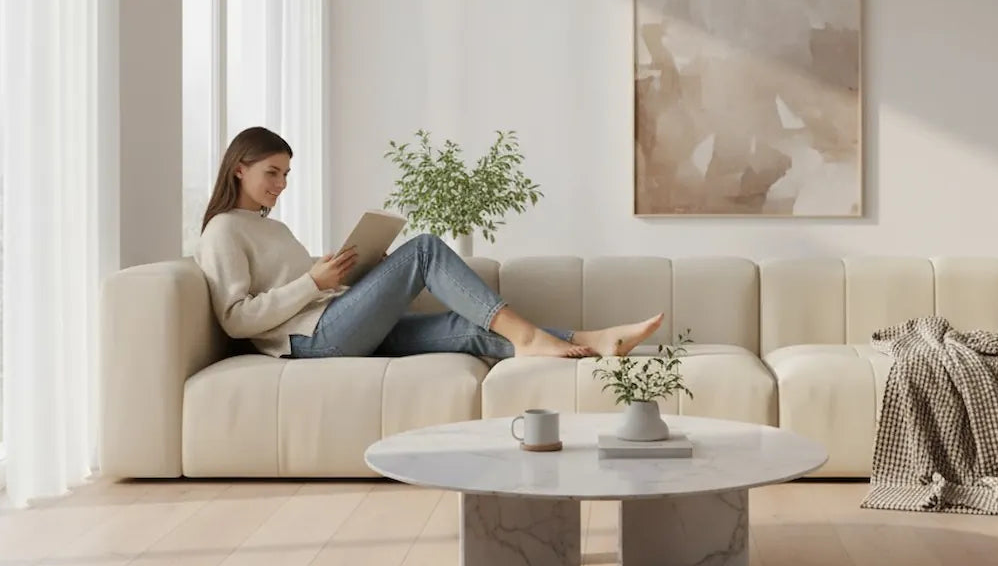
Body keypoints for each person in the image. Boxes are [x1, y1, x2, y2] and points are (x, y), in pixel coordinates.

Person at [194, 126, 664, 362]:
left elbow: (304, 287)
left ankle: (595, 341)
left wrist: (349, 272)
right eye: (271, 173)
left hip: (334, 320)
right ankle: (528, 335)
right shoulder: (223, 231)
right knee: (423, 250)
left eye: (286, 175)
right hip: (311, 340)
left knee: (469, 327)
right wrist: (311, 281)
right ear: (240, 167)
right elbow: (236, 320)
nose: (281, 184)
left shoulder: (269, 226)